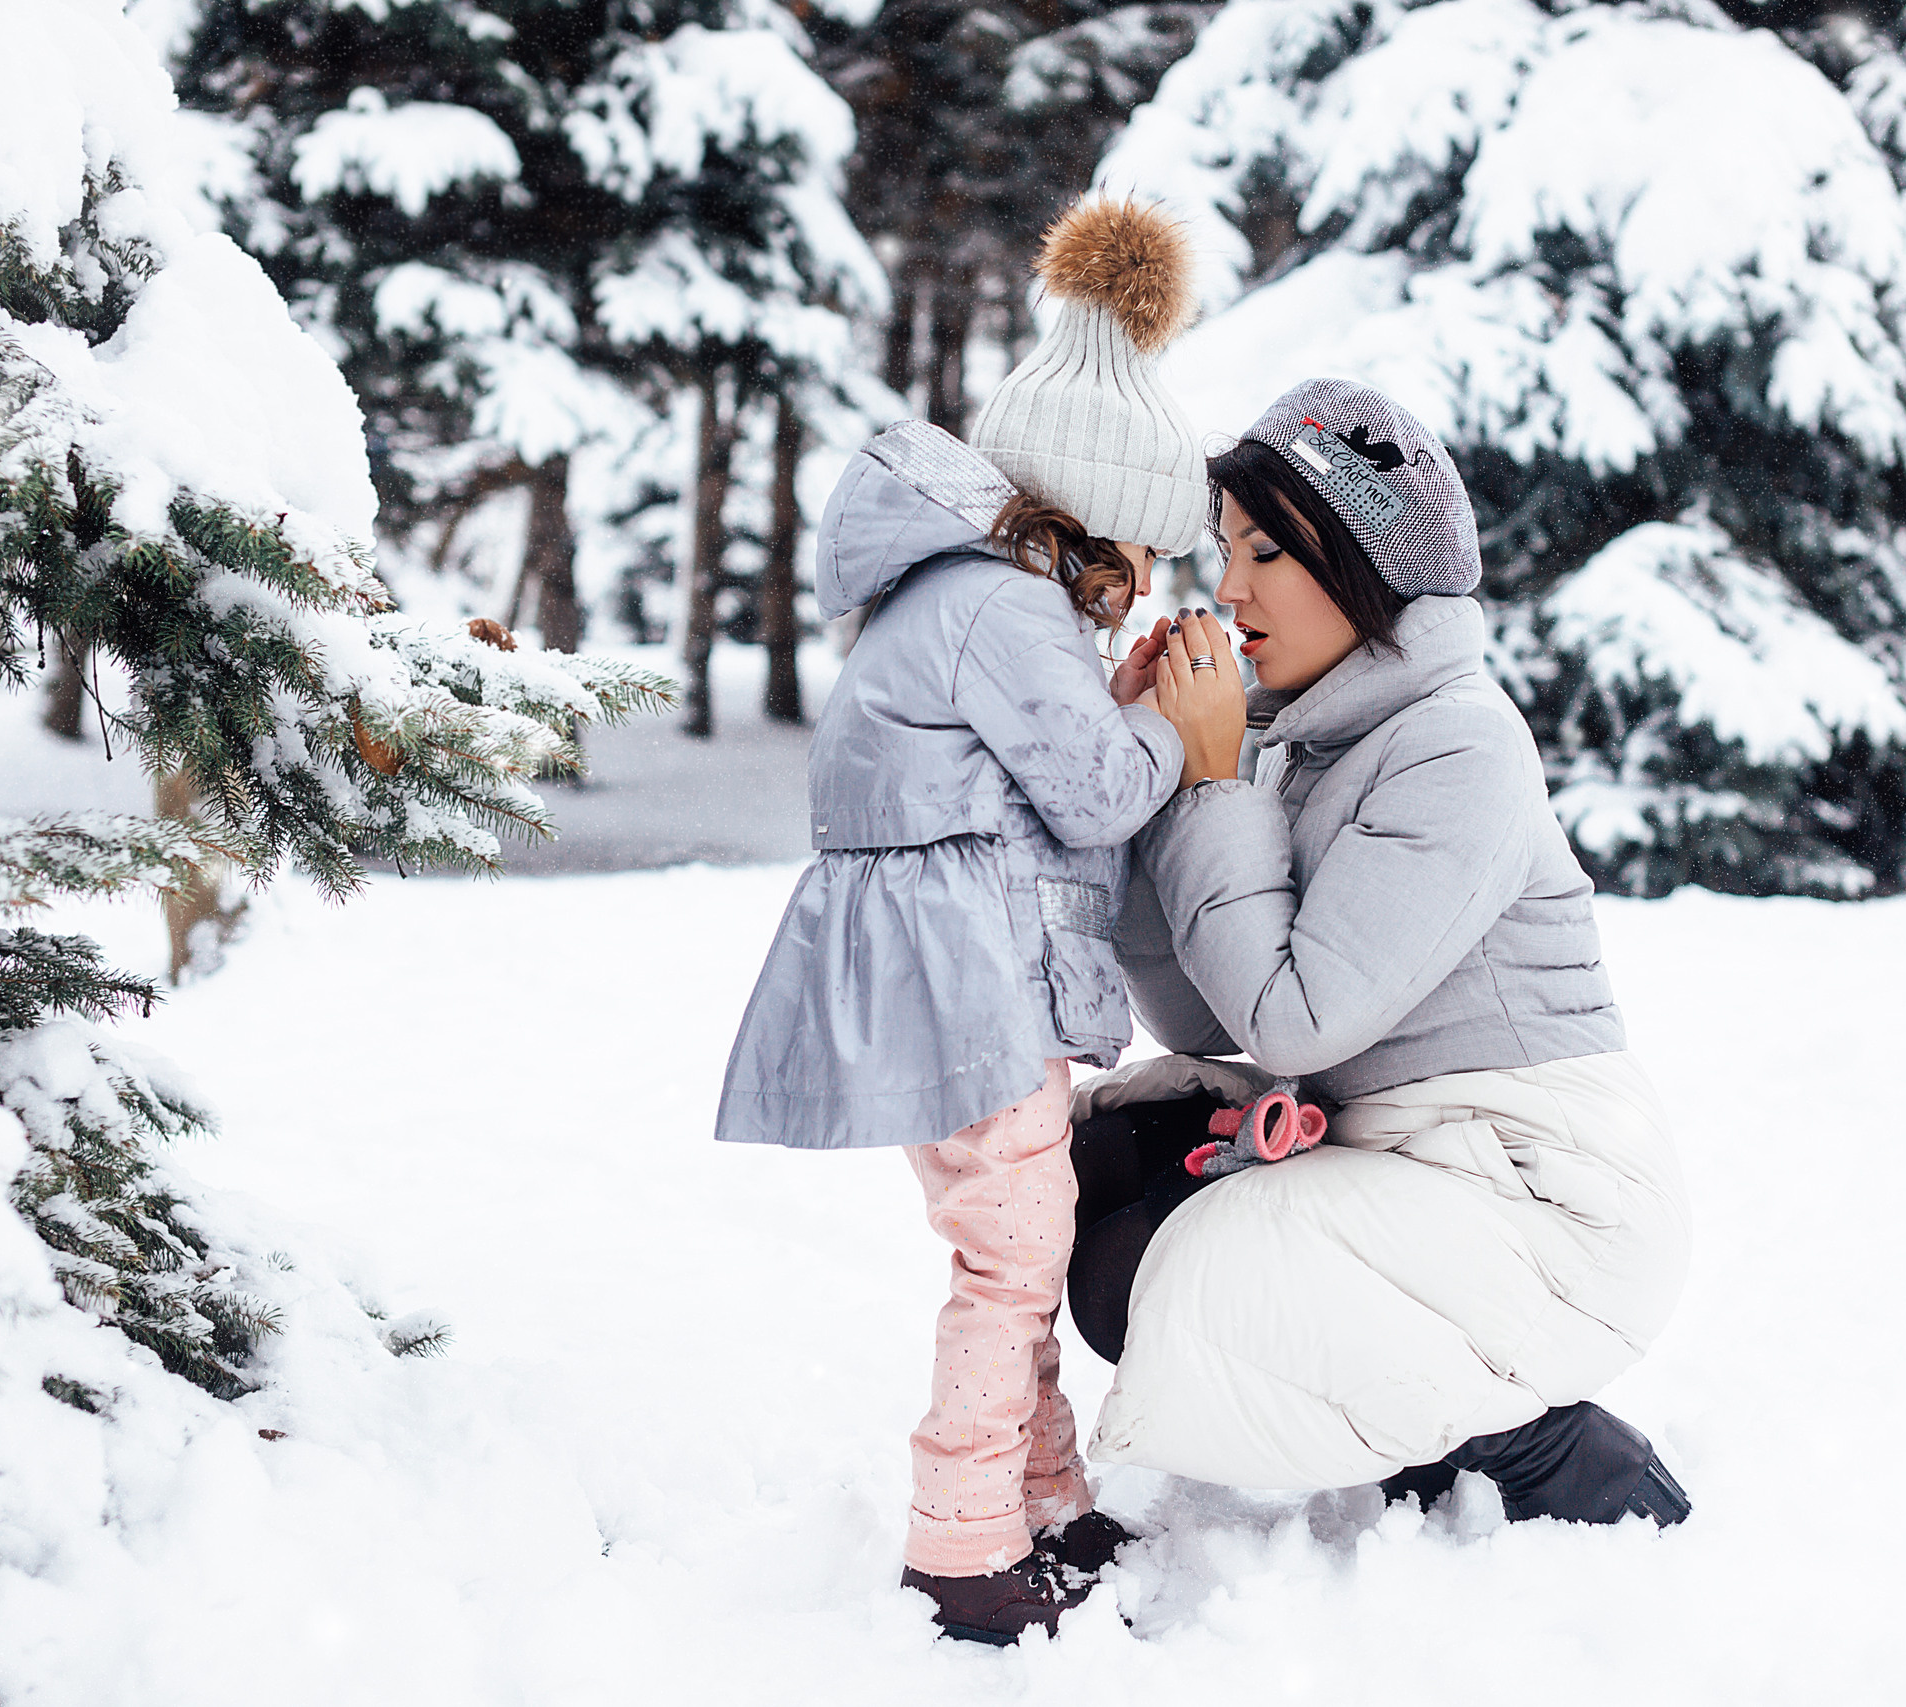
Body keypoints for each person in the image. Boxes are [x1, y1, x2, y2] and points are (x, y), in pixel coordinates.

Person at [1067, 378, 1696, 1528]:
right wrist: (1158, 784)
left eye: (1267, 553)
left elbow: (1293, 1025)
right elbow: (1206, 1019)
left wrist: (1213, 784)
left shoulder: (1460, 743)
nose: (1232, 589)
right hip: (1410, 1166)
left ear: (1368, 567)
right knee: (1106, 1164)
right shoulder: (1305, 738)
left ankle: (1538, 1441)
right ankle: (1430, 1403)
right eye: (1224, 550)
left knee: (1154, 1276)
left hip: (1545, 1195)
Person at [714, 198, 1211, 1645]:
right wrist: (1187, 728)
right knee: (1013, 1252)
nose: (1133, 603)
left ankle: (1043, 1494)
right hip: (973, 978)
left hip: (946, 970)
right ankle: (965, 1540)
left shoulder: (956, 596)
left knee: (1019, 1239)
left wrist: (1111, 703)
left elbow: (1025, 773)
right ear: (1084, 522)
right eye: (1131, 567)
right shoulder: (1006, 610)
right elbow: (1098, 791)